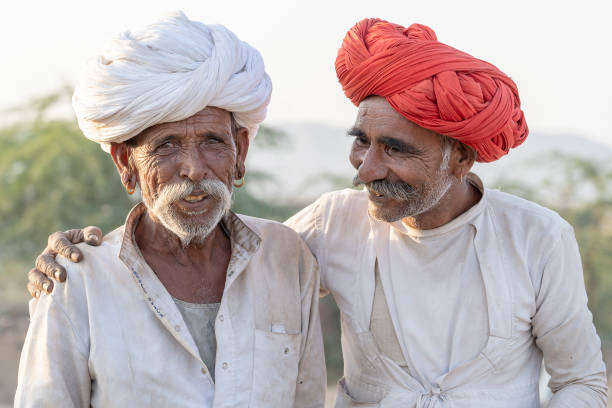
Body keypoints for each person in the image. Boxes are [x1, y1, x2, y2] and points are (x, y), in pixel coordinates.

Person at [28, 18, 608, 407]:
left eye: (397, 150)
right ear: (125, 164)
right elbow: (219, 242)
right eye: (362, 142)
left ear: (459, 158)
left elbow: (582, 379)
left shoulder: (537, 236)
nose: (366, 170)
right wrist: (68, 257)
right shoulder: (330, 226)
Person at [15, 12, 325, 408]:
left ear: (240, 151)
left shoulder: (287, 258)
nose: (194, 169)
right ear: (125, 164)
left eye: (213, 141)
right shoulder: (77, 282)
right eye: (166, 146)